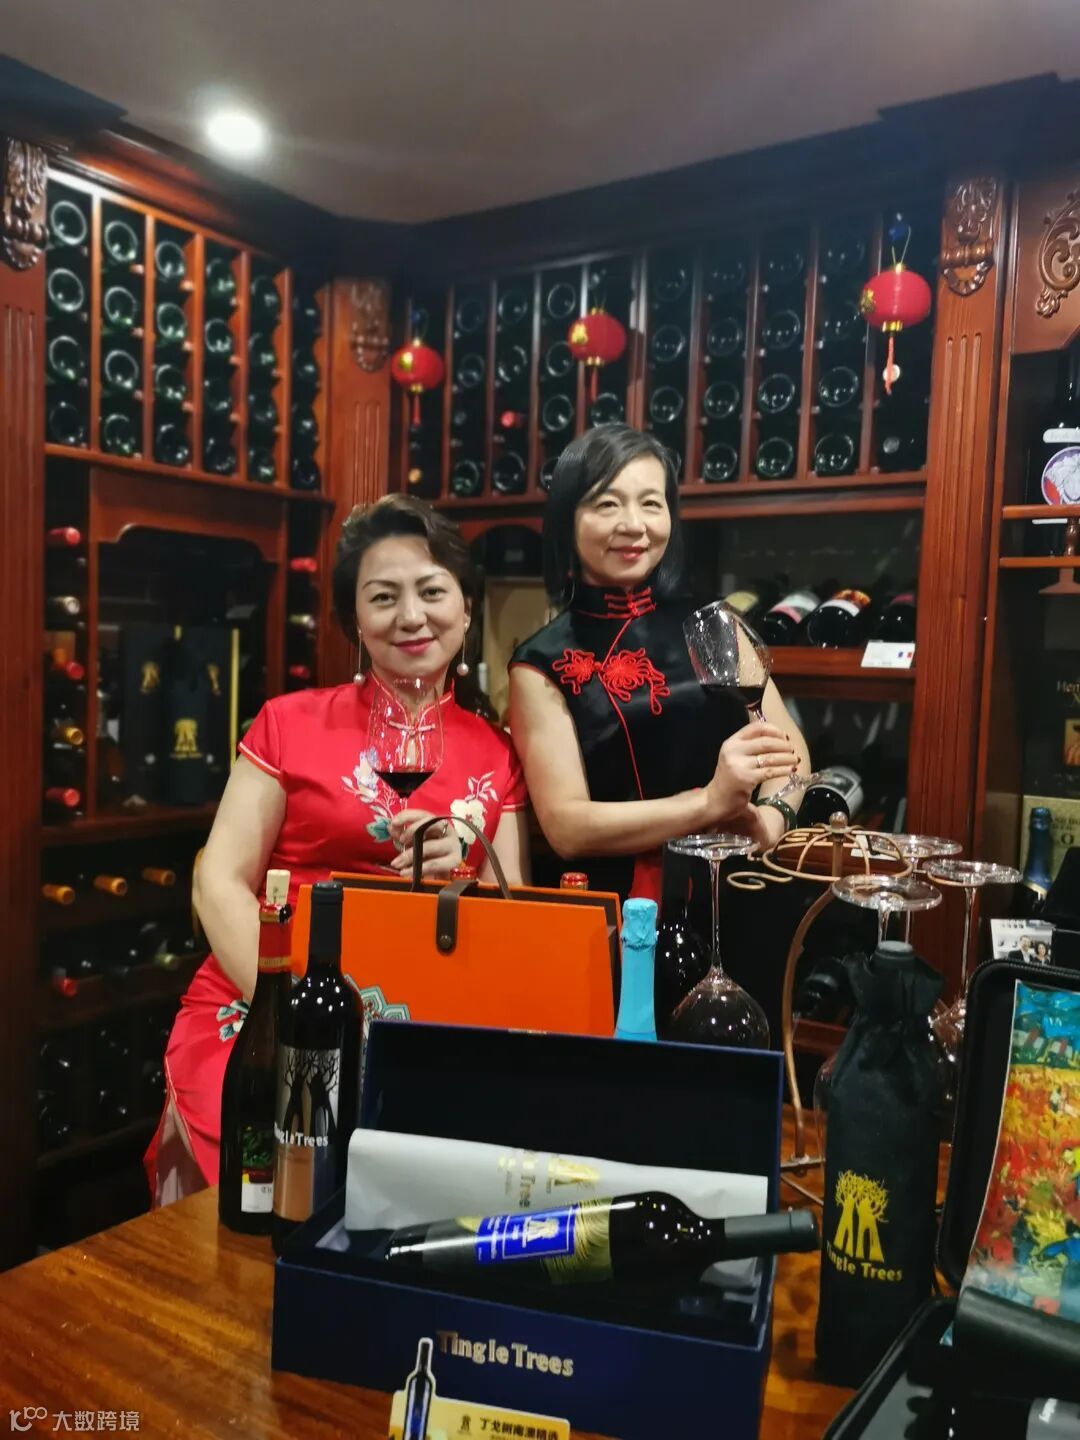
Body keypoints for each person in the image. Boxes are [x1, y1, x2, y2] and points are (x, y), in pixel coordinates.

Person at [147, 494, 529, 1201]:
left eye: (432, 591)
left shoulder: (498, 752)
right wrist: (290, 1013)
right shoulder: (287, 723)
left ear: (467, 608)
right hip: (270, 995)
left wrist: (467, 875)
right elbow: (218, 881)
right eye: (383, 597)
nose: (410, 616)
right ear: (354, 620)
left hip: (427, 1016)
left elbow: (517, 915)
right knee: (260, 1175)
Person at [509, 423, 810, 901]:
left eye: (651, 503)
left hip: (741, 884)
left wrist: (773, 820)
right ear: (568, 518)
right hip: (629, 904)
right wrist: (709, 803)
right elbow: (567, 827)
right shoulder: (539, 663)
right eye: (607, 504)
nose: (634, 524)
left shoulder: (714, 624)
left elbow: (786, 747)